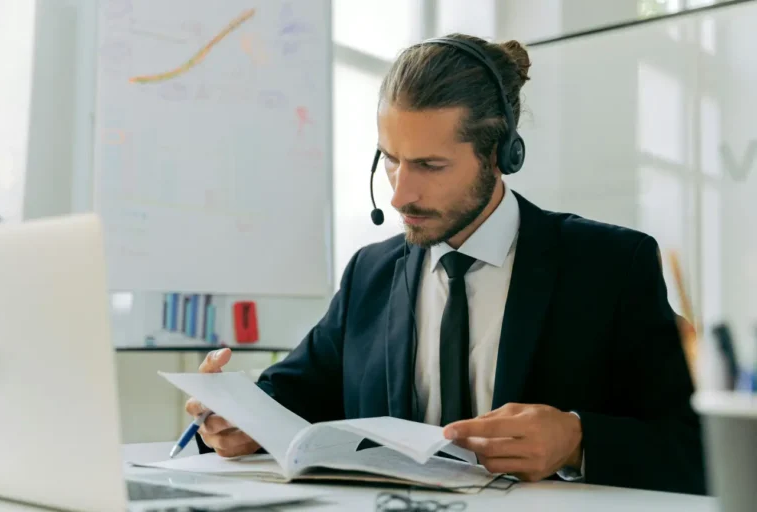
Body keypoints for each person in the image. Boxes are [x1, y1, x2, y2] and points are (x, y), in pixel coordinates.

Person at [186, 33, 706, 495]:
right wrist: (235, 417)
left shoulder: (610, 265)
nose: (400, 194)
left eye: (430, 166)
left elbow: (700, 448)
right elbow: (293, 396)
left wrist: (577, 439)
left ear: (501, 154)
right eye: (390, 159)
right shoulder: (370, 272)